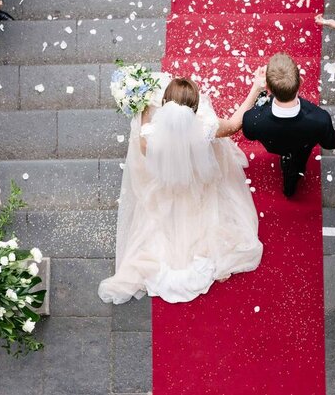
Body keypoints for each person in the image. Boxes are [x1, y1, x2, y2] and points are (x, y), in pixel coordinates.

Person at [98, 75, 264, 305]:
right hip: (196, 182)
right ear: (194, 109)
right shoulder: (206, 128)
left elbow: (145, 152)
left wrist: (143, 106)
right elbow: (235, 125)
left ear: (165, 106)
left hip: (165, 182)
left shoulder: (148, 135)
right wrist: (256, 88)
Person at [242, 53, 335, 197]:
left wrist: (259, 91)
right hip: (301, 149)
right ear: (301, 82)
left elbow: (249, 134)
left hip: (274, 146)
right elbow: (331, 143)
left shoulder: (252, 119)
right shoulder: (320, 119)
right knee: (296, 169)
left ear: (267, 87)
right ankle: (289, 189)